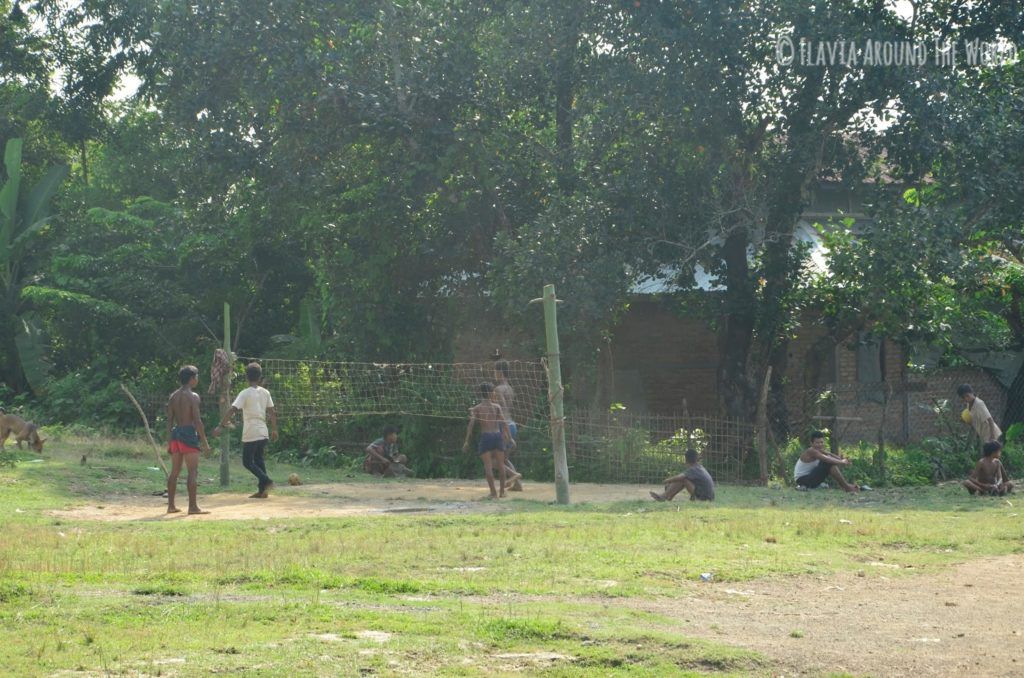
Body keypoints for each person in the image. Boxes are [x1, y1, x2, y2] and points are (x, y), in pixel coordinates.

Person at [213, 362, 278, 499]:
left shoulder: (245, 393)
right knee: (259, 459)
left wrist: (221, 425)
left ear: (246, 377)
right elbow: (272, 412)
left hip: (251, 431)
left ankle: (266, 481)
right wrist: (274, 429)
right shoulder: (265, 392)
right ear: (260, 377)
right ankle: (262, 491)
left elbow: (232, 409)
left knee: (247, 462)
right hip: (263, 430)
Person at [165, 365, 211, 514]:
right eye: (196, 377)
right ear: (192, 379)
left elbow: (169, 421)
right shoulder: (193, 397)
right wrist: (205, 442)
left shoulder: (173, 396)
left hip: (176, 434)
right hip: (188, 434)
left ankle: (171, 506)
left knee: (174, 472)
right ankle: (192, 507)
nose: (197, 379)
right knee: (193, 471)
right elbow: (197, 421)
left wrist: (168, 442)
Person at [463, 383, 514, 499]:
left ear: (481, 394)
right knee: (501, 465)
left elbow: (471, 424)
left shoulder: (477, 408)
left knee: (488, 466)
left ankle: (493, 493)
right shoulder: (497, 407)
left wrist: (466, 440)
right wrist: (510, 438)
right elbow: (504, 423)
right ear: (491, 394)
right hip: (497, 436)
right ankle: (502, 492)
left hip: (486, 437)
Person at [794, 431, 861, 492]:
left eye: (821, 442)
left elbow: (829, 454)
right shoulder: (811, 451)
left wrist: (841, 459)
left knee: (829, 463)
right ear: (811, 443)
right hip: (803, 480)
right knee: (828, 463)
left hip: (809, 478)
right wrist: (842, 462)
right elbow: (827, 459)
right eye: (817, 443)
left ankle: (846, 486)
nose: (820, 445)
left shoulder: (819, 450)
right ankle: (846, 487)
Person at [492, 360, 523, 490]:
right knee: (504, 459)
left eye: (495, 372)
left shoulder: (498, 389)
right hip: (512, 424)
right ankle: (517, 486)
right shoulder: (510, 388)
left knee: (494, 460)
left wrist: (504, 430)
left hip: (503, 425)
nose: (494, 374)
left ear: (499, 373)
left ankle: (515, 475)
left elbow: (501, 409)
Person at [650, 448, 715, 502]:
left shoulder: (693, 469)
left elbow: (681, 477)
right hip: (709, 496)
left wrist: (667, 480)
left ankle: (664, 496)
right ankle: (667, 497)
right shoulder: (699, 467)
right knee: (682, 479)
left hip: (704, 497)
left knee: (683, 480)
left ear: (686, 460)